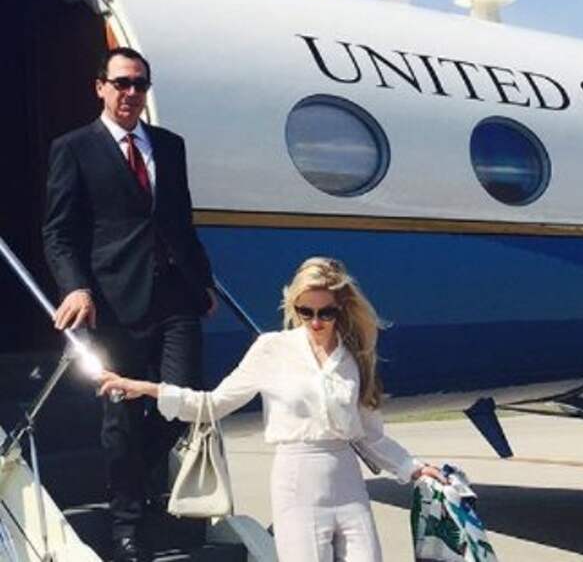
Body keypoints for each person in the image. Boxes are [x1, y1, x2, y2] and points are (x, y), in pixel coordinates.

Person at [100, 257, 444, 562]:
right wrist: (149, 389)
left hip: (349, 483)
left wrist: (412, 468)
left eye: (326, 313)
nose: (316, 322)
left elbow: (369, 433)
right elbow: (213, 404)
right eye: (306, 312)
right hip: (297, 481)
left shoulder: (354, 357)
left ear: (341, 308)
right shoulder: (272, 349)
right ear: (294, 307)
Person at [43, 47, 216, 562]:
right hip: (112, 305)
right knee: (119, 419)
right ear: (100, 87)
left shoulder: (170, 146)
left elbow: (180, 221)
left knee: (182, 403)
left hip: (177, 298)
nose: (131, 93)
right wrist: (75, 287)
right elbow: (58, 232)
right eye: (121, 83)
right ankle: (127, 526)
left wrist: (202, 281)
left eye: (140, 84)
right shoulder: (74, 148)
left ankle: (133, 489)